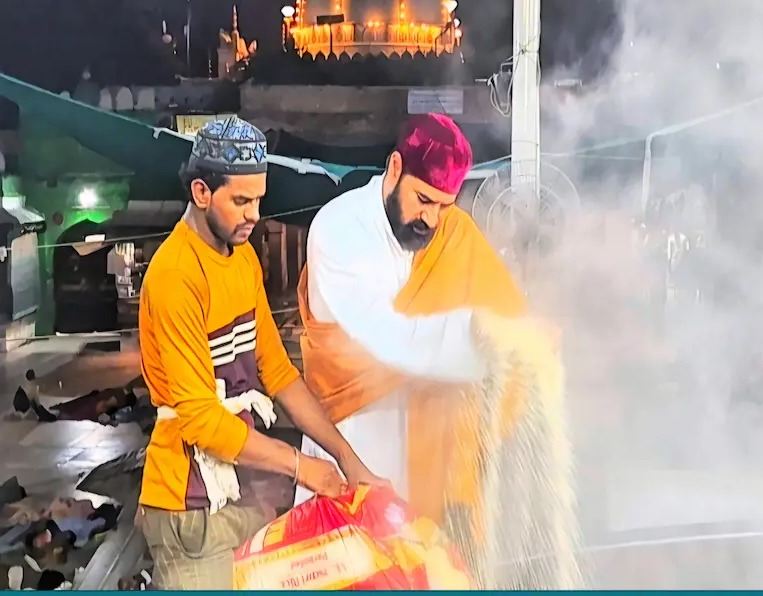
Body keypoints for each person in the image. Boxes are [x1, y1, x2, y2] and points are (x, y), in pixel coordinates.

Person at [138, 116, 385, 590]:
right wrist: (302, 467)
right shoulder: (176, 276)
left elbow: (278, 372)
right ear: (201, 192)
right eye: (241, 201)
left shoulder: (244, 257)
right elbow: (202, 422)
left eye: (258, 200)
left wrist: (346, 458)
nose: (254, 215)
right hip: (190, 507)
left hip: (244, 495)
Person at [296, 113, 535, 527]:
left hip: (424, 450)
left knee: (419, 555)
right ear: (395, 168)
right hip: (351, 442)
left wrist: (520, 340)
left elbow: (501, 304)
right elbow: (382, 340)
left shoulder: (450, 232)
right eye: (423, 200)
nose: (432, 220)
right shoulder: (338, 229)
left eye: (444, 206)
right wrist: (477, 336)